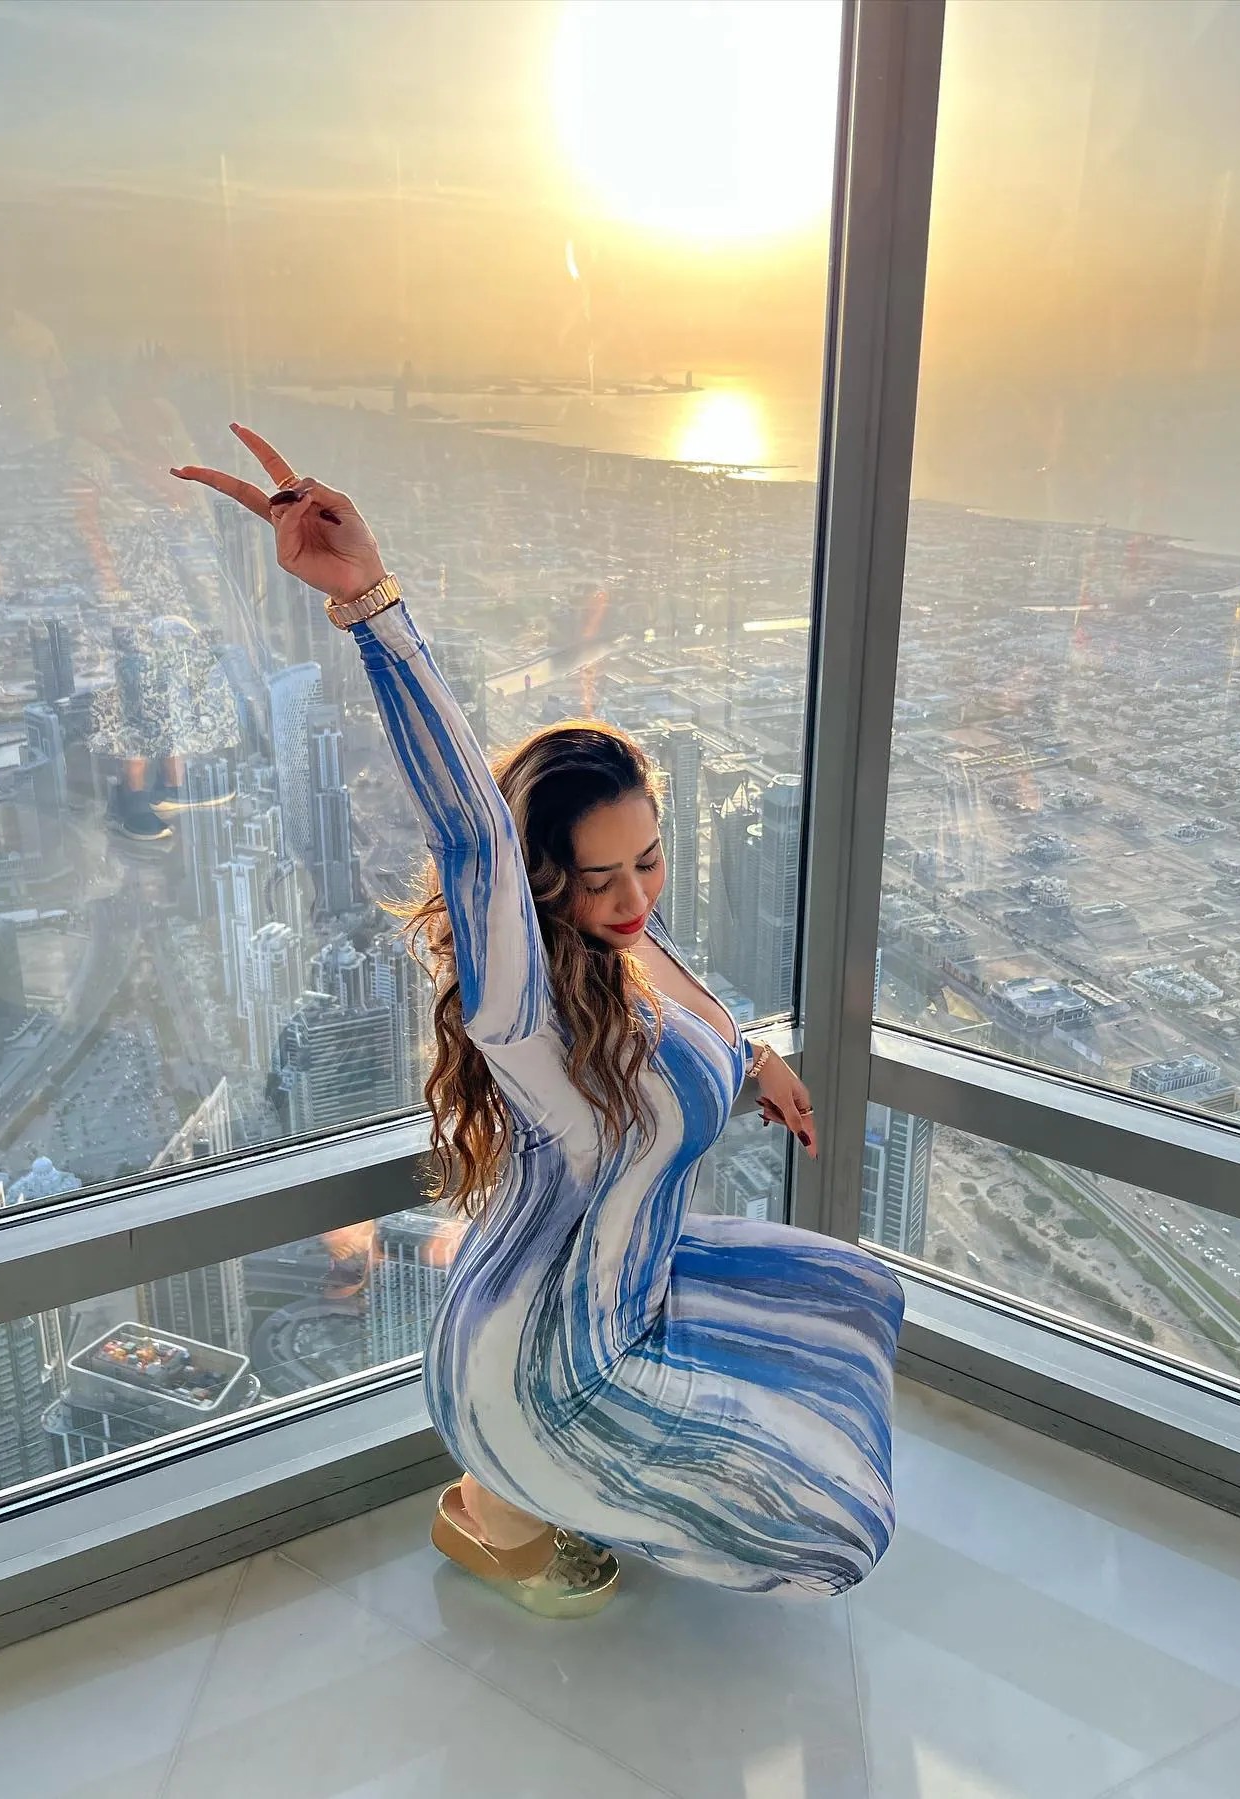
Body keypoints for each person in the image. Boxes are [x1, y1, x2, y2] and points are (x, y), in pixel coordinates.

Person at [173, 424, 904, 1617]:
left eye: (648, 859)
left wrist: (754, 1057)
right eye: (594, 877)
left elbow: (680, 1008)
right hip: (546, 1358)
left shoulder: (628, 948)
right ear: (542, 883)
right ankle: (500, 1511)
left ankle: (504, 1505)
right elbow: (471, 828)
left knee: (849, 1296)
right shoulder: (526, 1012)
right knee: (824, 1507)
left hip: (629, 1283)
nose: (632, 896)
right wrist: (370, 601)